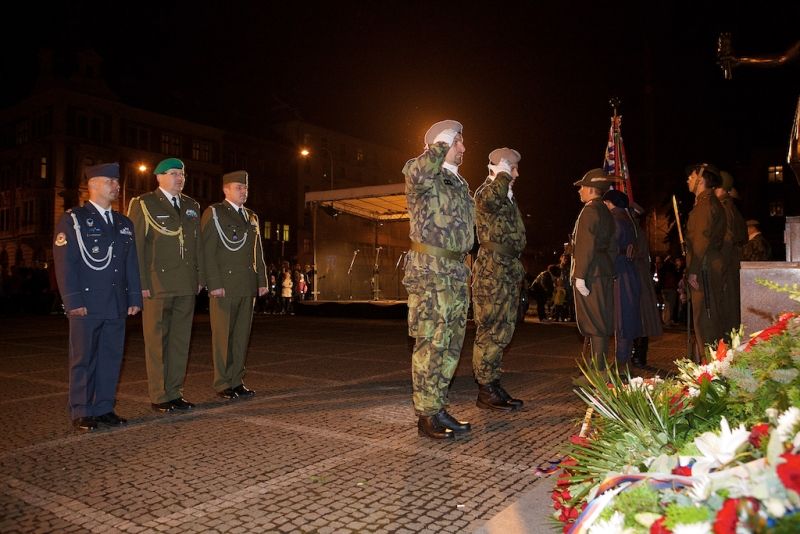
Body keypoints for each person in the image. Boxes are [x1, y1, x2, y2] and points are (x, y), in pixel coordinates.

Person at [53, 163, 142, 431]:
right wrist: (73, 300)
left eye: (117, 181)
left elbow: (131, 265)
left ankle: (104, 407)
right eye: (110, 181)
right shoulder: (74, 219)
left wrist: (134, 297)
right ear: (92, 185)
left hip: (115, 302)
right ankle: (81, 409)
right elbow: (65, 262)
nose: (116, 185)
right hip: (87, 303)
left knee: (111, 357)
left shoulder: (124, 223)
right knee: (83, 358)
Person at [403, 119, 474, 440]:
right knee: (431, 341)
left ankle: (438, 405)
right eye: (456, 141)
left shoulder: (458, 183)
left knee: (451, 343)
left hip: (457, 270)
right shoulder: (421, 173)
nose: (462, 147)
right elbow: (418, 173)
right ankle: (426, 414)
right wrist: (441, 143)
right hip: (431, 270)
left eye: (458, 141)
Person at [127, 158, 203, 413]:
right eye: (173, 173)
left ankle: (175, 392)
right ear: (158, 177)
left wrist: (199, 276)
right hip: (156, 284)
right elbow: (136, 247)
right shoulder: (143, 204)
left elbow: (197, 245)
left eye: (182, 173)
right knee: (157, 342)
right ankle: (160, 395)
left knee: (181, 341)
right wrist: (140, 283)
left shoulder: (192, 206)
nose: (179, 177)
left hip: (185, 283)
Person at [201, 170, 267, 400]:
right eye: (239, 187)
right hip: (225, 285)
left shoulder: (251, 216)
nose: (243, 191)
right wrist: (214, 283)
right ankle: (222, 382)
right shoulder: (215, 213)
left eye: (246, 188)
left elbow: (257, 251)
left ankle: (237, 380)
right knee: (223, 336)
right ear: (226, 189)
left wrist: (262, 280)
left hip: (246, 284)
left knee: (241, 336)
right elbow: (207, 251)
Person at [471, 147, 526, 412]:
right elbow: (489, 202)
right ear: (501, 167)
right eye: (512, 168)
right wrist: (502, 175)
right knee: (490, 327)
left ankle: (492, 382)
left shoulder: (507, 195)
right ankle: (485, 389)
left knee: (504, 328)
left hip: (507, 268)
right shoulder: (486, 191)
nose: (516, 173)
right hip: (493, 270)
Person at [570, 169, 617, 366]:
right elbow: (613, 246)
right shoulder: (605, 211)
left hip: (591, 273)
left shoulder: (590, 211)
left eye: (582, 187)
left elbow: (585, 244)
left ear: (591, 189)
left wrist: (580, 275)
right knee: (601, 318)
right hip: (603, 270)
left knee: (595, 322)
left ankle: (598, 370)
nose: (579, 190)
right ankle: (596, 366)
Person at [685, 163, 726, 358]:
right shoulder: (707, 203)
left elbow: (700, 240)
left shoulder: (705, 205)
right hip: (708, 265)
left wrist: (693, 270)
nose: (688, 180)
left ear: (700, 180)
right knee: (708, 320)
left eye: (691, 177)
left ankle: (709, 375)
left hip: (704, 268)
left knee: (705, 322)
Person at [602, 189, 642, 367]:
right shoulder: (630, 220)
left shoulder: (615, 220)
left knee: (621, 319)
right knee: (626, 317)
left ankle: (620, 363)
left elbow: (611, 246)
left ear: (609, 203)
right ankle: (622, 360)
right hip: (629, 271)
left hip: (619, 272)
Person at [629, 203, 663, 368]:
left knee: (640, 320)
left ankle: (639, 356)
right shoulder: (636, 231)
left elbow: (635, 255)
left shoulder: (634, 232)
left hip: (637, 280)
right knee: (639, 319)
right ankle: (637, 355)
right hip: (638, 279)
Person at [715, 174, 748, 339]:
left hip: (726, 267)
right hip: (731, 265)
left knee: (727, 314)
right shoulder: (731, 207)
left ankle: (727, 355)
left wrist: (718, 266)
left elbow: (727, 240)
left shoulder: (724, 209)